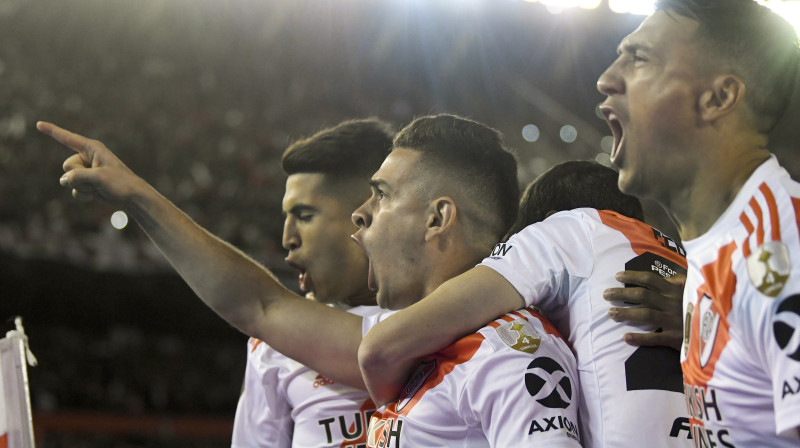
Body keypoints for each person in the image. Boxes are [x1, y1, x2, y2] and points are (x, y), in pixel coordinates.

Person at [39, 114, 582, 446]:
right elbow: (260, 308)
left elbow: (261, 305)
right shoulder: (404, 344)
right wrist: (137, 195)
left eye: (382, 195)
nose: (362, 217)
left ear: (438, 218)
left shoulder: (508, 347)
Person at [358, 160, 692, 447]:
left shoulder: (572, 226)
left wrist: (394, 410)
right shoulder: (686, 262)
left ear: (544, 221)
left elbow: (383, 346)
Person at [596, 0, 800, 445]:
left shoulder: (784, 251)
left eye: (639, 59)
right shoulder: (717, 250)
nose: (607, 79)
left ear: (718, 98)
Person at [232, 118, 394, 447]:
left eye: (305, 216)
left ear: (368, 215)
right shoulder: (274, 344)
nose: (287, 238)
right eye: (287, 217)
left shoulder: (455, 322)